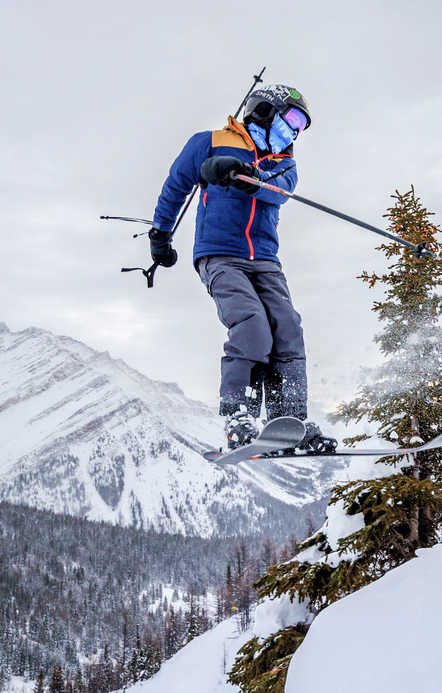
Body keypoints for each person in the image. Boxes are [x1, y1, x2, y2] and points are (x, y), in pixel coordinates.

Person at [147, 83, 337, 452]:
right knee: (251, 323)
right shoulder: (210, 142)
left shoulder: (285, 163)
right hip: (220, 253)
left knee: (287, 327)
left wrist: (247, 177)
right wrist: (160, 234)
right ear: (264, 110)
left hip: (265, 259)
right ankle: (240, 417)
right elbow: (176, 186)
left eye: (301, 127)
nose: (294, 131)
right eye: (292, 120)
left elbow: (275, 191)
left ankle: (289, 420)